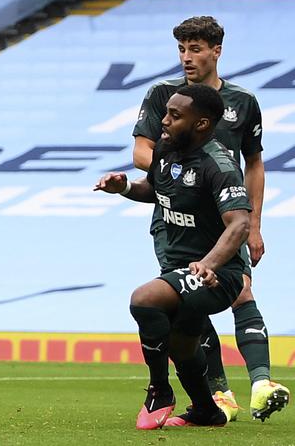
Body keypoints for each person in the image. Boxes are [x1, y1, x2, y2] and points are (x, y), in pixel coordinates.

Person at [132, 15, 287, 422]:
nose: (186, 57)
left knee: (240, 290)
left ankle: (259, 383)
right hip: (176, 220)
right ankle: (219, 394)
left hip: (226, 217)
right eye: (181, 49)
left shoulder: (243, 103)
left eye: (195, 49)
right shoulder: (163, 95)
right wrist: (179, 177)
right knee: (188, 304)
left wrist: (254, 223)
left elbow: (254, 164)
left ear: (216, 51)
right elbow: (141, 153)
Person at [99, 83, 251, 428]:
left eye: (175, 115)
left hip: (219, 274)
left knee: (145, 299)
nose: (164, 121)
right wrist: (123, 187)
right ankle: (205, 412)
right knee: (183, 345)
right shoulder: (167, 150)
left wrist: (209, 264)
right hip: (180, 268)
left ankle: (160, 390)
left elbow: (239, 223)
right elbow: (157, 191)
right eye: (166, 111)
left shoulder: (219, 165)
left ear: (201, 124)